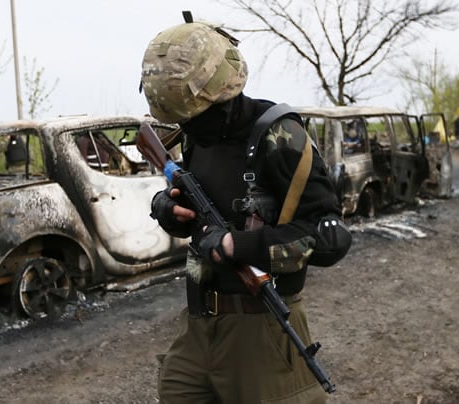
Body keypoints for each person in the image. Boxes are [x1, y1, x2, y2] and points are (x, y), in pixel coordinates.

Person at [140, 15, 351, 403]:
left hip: (262, 328)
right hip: (198, 323)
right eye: (181, 119)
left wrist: (240, 246)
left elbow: (331, 238)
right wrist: (166, 209)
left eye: (193, 116)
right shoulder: (197, 136)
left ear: (221, 93)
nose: (187, 127)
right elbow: (194, 208)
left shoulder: (280, 136)